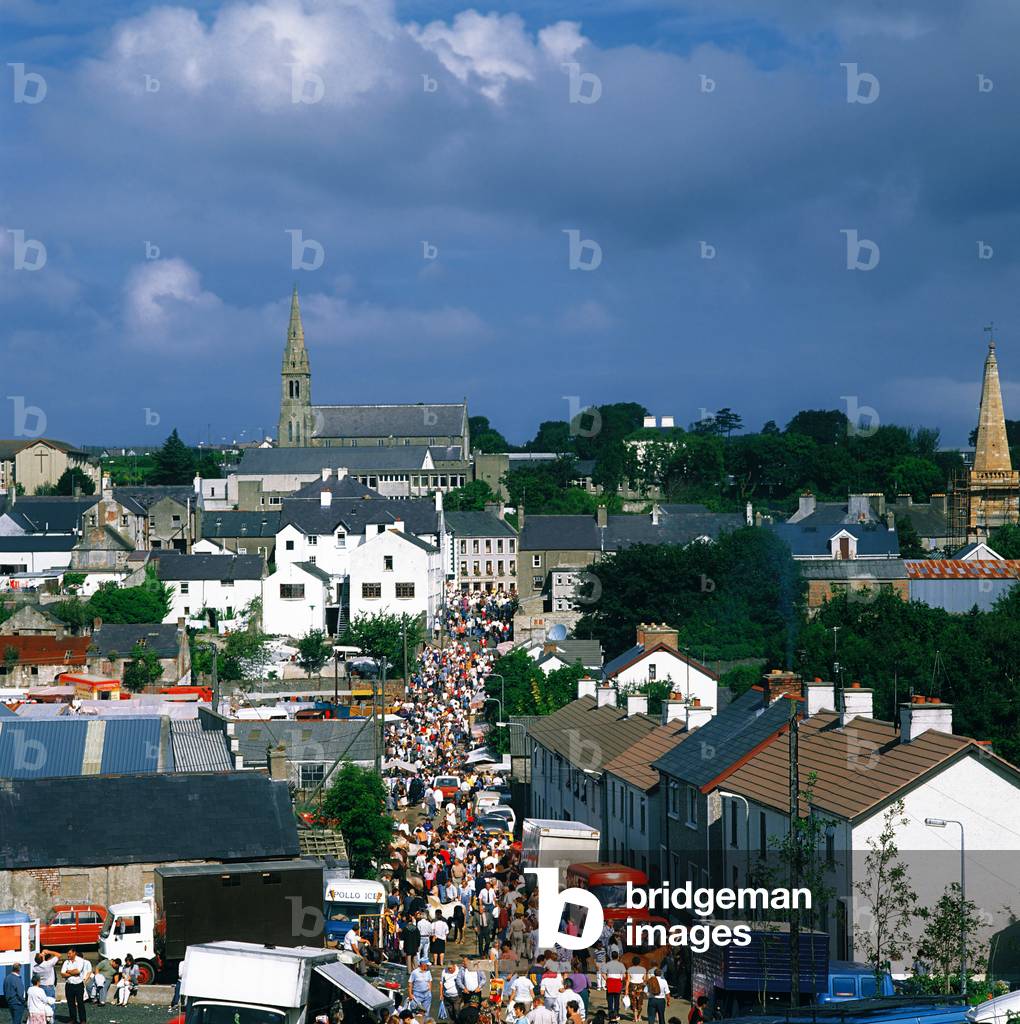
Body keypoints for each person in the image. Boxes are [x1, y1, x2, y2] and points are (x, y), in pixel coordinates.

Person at [61, 949, 91, 1024]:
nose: (68, 955)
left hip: (78, 984)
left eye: (70, 953)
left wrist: (68, 971)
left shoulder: (80, 960)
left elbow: (78, 971)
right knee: (70, 1003)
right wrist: (73, 973)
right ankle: (73, 1019)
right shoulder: (66, 962)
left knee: (80, 1003)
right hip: (69, 984)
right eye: (67, 953)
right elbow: (62, 974)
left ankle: (83, 1020)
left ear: (74, 953)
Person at [602, 954, 626, 1023]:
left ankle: (610, 1015)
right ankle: (616, 1015)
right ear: (618, 957)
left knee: (609, 999)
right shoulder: (621, 965)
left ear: (611, 957)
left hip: (610, 981)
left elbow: (603, 973)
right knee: (617, 1000)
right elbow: (624, 975)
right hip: (618, 982)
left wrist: (607, 979)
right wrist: (621, 980)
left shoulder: (608, 964)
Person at [625, 958, 646, 1022]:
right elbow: (644, 979)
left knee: (633, 1001)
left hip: (632, 986)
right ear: (639, 962)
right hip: (640, 986)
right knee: (640, 1002)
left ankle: (635, 1018)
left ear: (632, 962)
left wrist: (626, 989)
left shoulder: (629, 969)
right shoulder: (643, 969)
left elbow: (628, 980)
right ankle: (639, 1017)